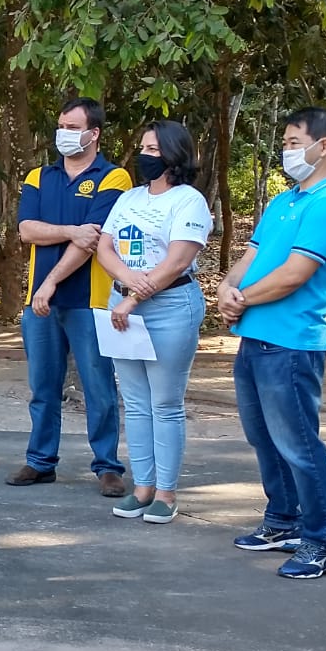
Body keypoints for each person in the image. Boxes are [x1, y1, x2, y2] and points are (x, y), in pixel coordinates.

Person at [219, 107, 326, 579]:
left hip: (292, 343)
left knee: (298, 444)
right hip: (256, 337)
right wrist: (227, 287)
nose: (287, 150)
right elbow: (252, 255)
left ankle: (323, 540)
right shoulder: (284, 201)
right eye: (285, 142)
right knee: (263, 437)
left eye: (295, 141)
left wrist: (242, 299)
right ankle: (283, 520)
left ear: (324, 147)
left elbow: (296, 275)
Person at [11, 96, 131, 496]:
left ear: (93, 133)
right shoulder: (37, 177)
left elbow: (93, 240)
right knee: (43, 386)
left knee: (99, 386)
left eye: (73, 127)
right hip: (40, 306)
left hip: (89, 299)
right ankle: (40, 461)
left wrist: (50, 282)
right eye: (61, 125)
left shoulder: (114, 178)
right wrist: (69, 230)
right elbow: (27, 230)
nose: (64, 133)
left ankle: (108, 466)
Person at [95, 121, 212, 523]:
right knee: (135, 403)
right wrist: (127, 287)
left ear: (175, 155)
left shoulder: (188, 201)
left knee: (164, 403)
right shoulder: (128, 198)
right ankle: (142, 487)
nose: (145, 154)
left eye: (154, 149)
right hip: (123, 304)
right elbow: (105, 247)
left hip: (170, 306)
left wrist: (134, 297)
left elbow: (177, 260)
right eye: (142, 146)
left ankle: (166, 492)